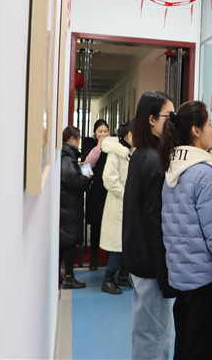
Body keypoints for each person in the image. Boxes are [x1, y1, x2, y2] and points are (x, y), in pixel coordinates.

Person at [159, 101, 212, 359]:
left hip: (181, 277)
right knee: (202, 351)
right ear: (195, 131)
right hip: (205, 282)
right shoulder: (204, 174)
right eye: (209, 124)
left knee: (185, 348)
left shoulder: (172, 169)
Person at [123, 91, 175, 360]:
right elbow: (155, 223)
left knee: (146, 335)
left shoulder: (141, 155)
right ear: (152, 120)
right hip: (151, 266)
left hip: (139, 262)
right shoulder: (154, 161)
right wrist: (165, 275)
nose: (173, 122)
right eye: (169, 116)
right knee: (155, 340)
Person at [99, 120, 134, 295]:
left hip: (126, 204)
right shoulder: (116, 153)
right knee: (116, 244)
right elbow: (109, 179)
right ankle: (108, 279)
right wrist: (125, 194)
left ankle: (123, 275)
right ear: (129, 135)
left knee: (125, 242)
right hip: (117, 203)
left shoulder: (130, 152)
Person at [60, 125, 92, 289]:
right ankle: (68, 277)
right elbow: (75, 180)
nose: (79, 143)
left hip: (67, 207)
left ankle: (63, 276)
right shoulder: (67, 156)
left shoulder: (66, 155)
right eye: (78, 139)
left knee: (66, 242)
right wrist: (87, 174)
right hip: (69, 208)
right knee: (70, 242)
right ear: (72, 139)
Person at [82, 118, 110, 270]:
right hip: (95, 191)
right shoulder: (89, 144)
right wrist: (99, 147)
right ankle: (94, 258)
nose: (103, 134)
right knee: (95, 226)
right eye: (100, 131)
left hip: (108, 191)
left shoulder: (112, 146)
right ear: (95, 132)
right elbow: (86, 167)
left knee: (109, 224)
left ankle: (110, 260)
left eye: (105, 131)